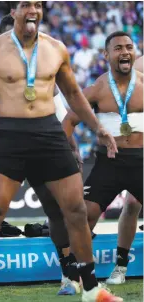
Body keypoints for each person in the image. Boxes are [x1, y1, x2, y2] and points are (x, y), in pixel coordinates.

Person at [0, 2, 121, 302]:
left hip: (49, 133)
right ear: (13, 11)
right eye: (25, 5)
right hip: (10, 135)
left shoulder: (56, 48)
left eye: (37, 4)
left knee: (75, 210)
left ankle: (90, 288)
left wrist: (97, 127)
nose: (32, 9)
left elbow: (73, 93)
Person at [0, 13, 84, 295]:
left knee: (56, 209)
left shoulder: (39, 60)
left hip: (44, 141)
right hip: (9, 144)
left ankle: (68, 272)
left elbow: (58, 102)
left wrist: (68, 143)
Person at [62, 31, 143, 286]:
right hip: (109, 162)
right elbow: (68, 122)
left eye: (129, 47)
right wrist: (69, 156)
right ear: (106, 55)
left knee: (131, 207)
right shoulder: (97, 88)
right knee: (85, 214)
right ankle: (74, 274)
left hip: (141, 161)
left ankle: (120, 267)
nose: (125, 52)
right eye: (118, 48)